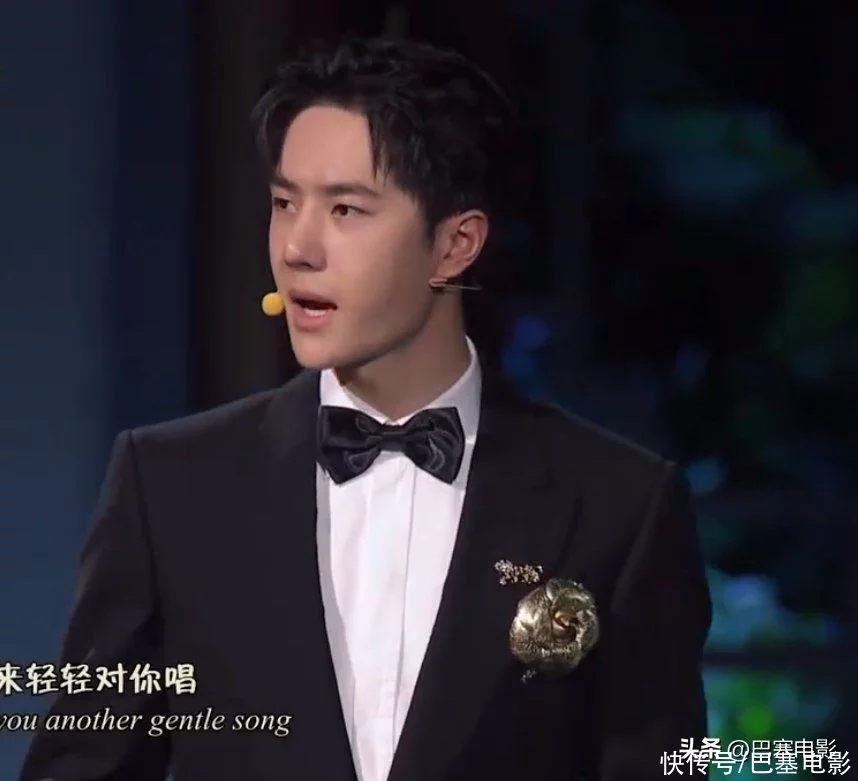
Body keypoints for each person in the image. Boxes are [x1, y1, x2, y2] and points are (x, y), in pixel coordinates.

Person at [20, 36, 711, 781]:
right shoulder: (169, 485)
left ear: (455, 245)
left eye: (346, 209)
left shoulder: (618, 506)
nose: (298, 248)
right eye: (285, 203)